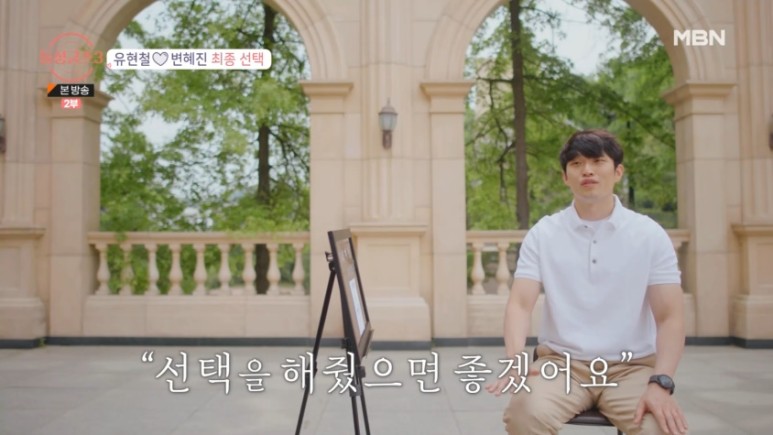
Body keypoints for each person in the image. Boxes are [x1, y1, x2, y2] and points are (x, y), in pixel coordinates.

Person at [485, 129, 689, 435]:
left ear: (618, 171)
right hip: (561, 366)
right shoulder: (544, 234)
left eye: (597, 161)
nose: (587, 170)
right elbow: (520, 304)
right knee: (523, 415)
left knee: (659, 428)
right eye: (577, 164)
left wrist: (661, 382)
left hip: (631, 366)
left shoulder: (649, 235)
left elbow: (670, 316)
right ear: (565, 177)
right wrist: (516, 359)